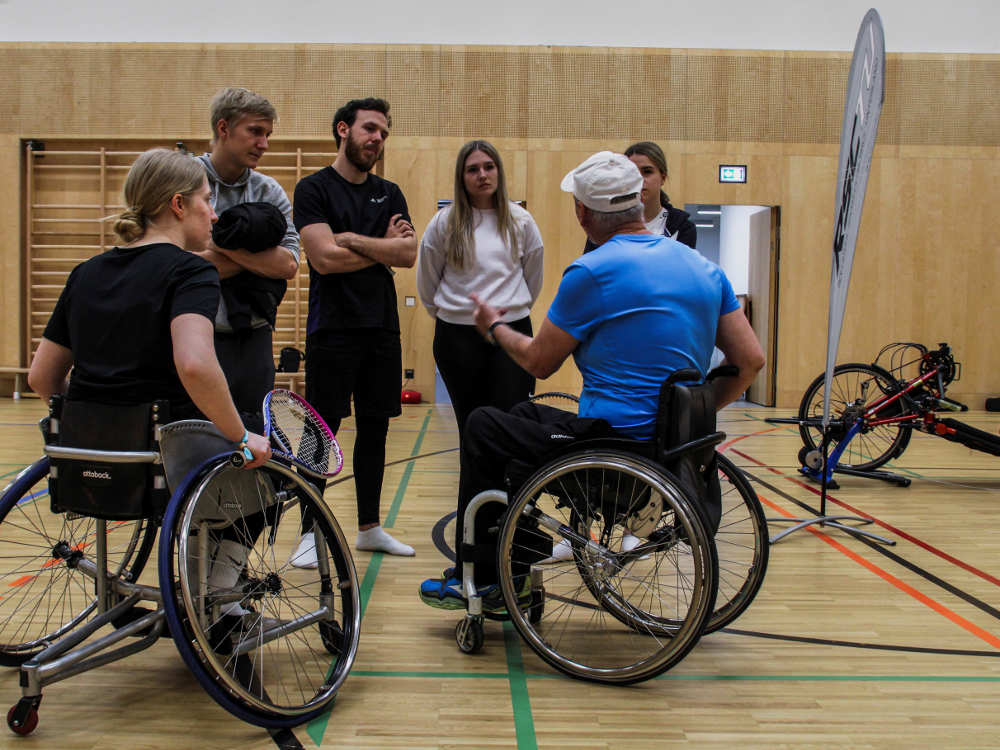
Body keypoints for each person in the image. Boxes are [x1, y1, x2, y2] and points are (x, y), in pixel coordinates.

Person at [419, 151, 764, 608]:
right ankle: (518, 552)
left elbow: (539, 362)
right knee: (522, 415)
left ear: (582, 213)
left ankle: (488, 579)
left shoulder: (592, 272)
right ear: (638, 202)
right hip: (675, 447)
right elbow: (750, 360)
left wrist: (495, 326)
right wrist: (682, 418)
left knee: (484, 425)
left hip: (609, 443)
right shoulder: (703, 268)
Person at [28, 148, 272, 613]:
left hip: (88, 460)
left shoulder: (85, 273)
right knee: (277, 453)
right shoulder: (191, 269)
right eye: (206, 200)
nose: (214, 213)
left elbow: (42, 378)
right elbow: (195, 365)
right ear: (178, 204)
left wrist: (96, 420)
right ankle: (219, 595)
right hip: (168, 454)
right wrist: (242, 436)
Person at [291, 97, 417, 563]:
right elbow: (324, 258)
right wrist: (383, 248)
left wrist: (355, 241)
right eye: (369, 129)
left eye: (383, 132)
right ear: (343, 130)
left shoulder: (391, 192)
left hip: (381, 327)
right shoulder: (313, 189)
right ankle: (309, 533)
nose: (377, 139)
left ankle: (370, 527)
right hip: (332, 328)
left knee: (375, 428)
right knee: (320, 430)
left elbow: (408, 254)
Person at [417, 140, 544, 442]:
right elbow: (428, 281)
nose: (482, 175)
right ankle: (473, 482)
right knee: (471, 426)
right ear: (462, 177)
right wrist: (454, 313)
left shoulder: (521, 220)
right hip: (457, 337)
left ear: (499, 171)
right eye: (473, 169)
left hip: (511, 333)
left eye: (489, 167)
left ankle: (509, 478)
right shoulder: (444, 222)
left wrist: (511, 308)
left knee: (510, 426)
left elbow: (533, 277)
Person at [194, 87, 300, 432]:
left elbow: (287, 265)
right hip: (194, 334)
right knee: (196, 434)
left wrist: (219, 243)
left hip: (253, 336)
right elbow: (180, 265)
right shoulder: (183, 181)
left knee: (253, 436)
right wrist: (256, 260)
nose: (264, 143)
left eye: (267, 134)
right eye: (255, 131)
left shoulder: (269, 191)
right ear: (223, 128)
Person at [583, 141, 696, 252]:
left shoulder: (682, 226)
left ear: (663, 178)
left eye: (647, 172)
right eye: (631, 173)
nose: (639, 179)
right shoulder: (603, 225)